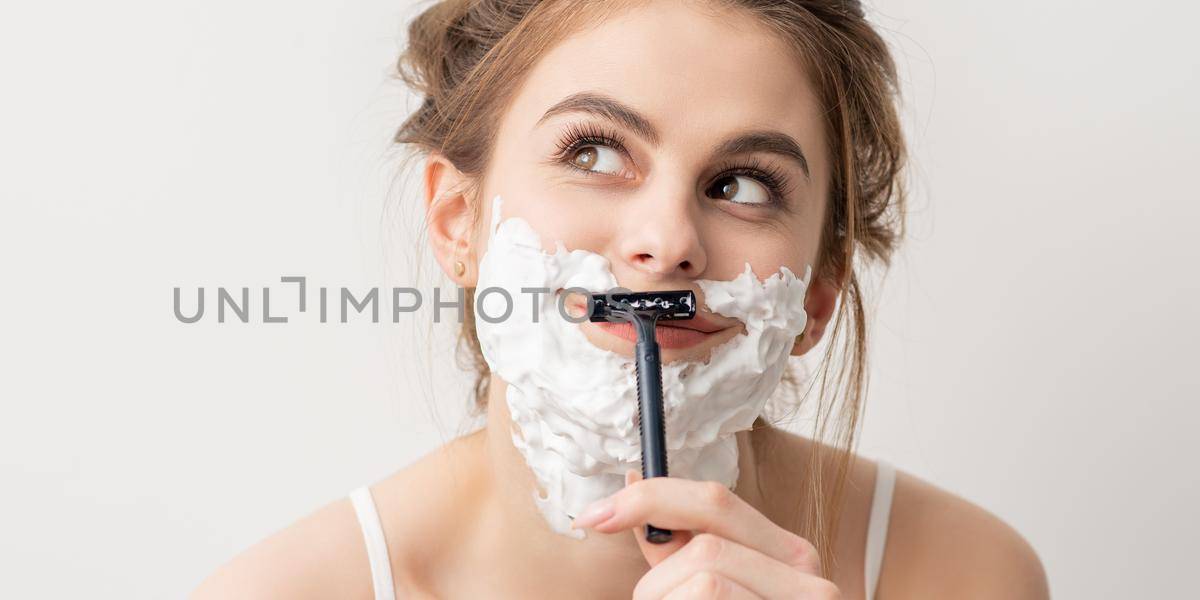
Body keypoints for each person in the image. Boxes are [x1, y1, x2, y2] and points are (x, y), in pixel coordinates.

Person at [197, 0, 1047, 597]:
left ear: (816, 296)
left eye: (743, 183)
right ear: (459, 222)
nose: (669, 239)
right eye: (597, 153)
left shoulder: (966, 575)